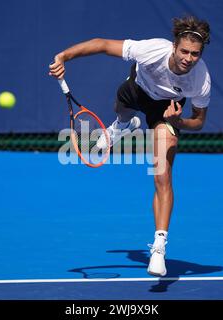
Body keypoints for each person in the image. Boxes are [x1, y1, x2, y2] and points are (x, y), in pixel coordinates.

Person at [49, 15, 211, 277]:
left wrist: (178, 120)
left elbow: (199, 122)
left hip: (165, 110)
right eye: (184, 51)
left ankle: (158, 247)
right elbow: (102, 44)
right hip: (137, 89)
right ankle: (122, 125)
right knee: (121, 108)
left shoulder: (201, 79)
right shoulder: (152, 50)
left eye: (195, 54)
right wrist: (63, 56)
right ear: (174, 46)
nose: (188, 58)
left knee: (162, 176)